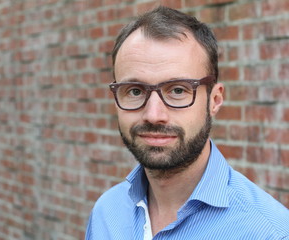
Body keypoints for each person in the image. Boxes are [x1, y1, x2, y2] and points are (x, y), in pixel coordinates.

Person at [85, 6, 289, 240]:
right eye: (134, 91)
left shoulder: (271, 233)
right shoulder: (107, 212)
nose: (153, 115)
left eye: (178, 90)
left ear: (215, 100)